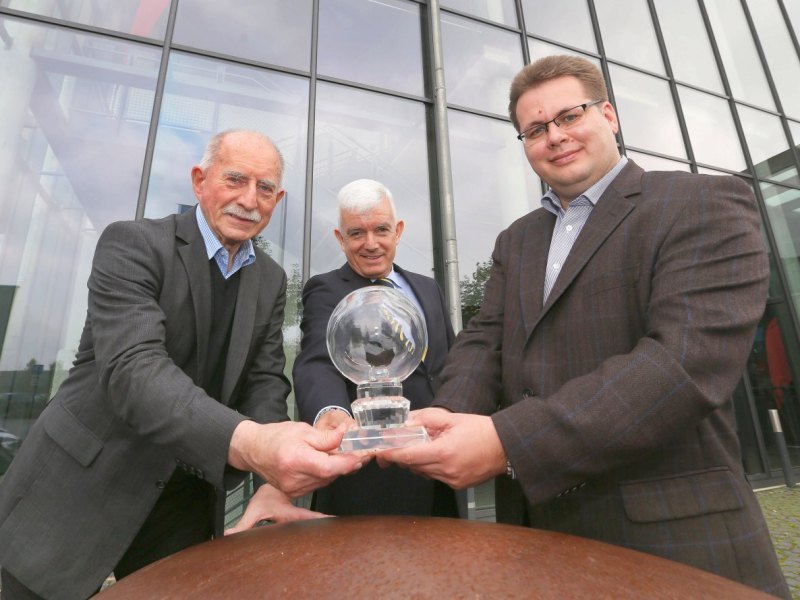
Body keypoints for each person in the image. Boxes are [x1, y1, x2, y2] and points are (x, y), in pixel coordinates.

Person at [382, 56, 790, 597]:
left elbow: (680, 367)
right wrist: (448, 417)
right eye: (534, 129)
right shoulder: (517, 240)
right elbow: (485, 340)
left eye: (569, 116)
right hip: (533, 535)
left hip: (666, 540)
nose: (555, 136)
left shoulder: (701, 202)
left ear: (609, 115)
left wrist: (506, 441)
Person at [0, 129, 367, 599]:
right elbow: (135, 370)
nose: (249, 200)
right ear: (199, 181)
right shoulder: (131, 244)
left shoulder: (272, 280)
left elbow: (263, 382)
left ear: (279, 199)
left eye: (266, 188)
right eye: (235, 180)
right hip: (78, 490)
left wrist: (275, 481)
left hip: (183, 501)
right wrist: (254, 444)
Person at [294, 178, 459, 516]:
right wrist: (330, 413)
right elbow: (317, 361)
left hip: (439, 472)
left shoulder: (428, 288)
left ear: (397, 230)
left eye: (381, 230)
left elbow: (450, 363)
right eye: (356, 233)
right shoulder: (326, 290)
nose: (371, 244)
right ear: (341, 239)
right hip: (368, 484)